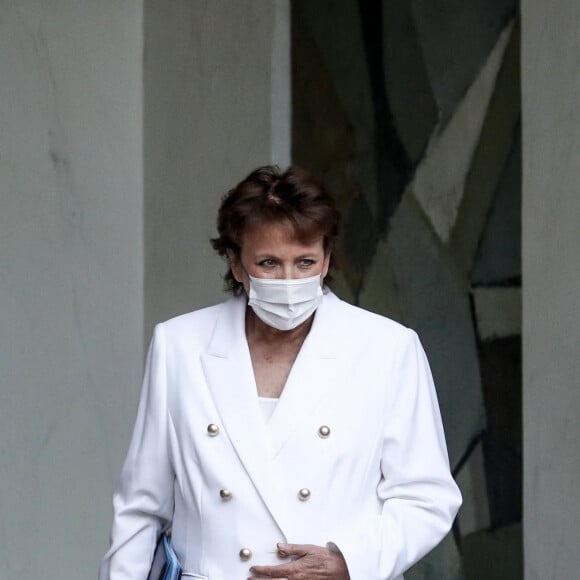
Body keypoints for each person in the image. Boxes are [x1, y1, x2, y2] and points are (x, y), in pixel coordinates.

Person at [100, 165, 462, 580]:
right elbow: (140, 508)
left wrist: (352, 561)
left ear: (326, 260)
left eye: (305, 261)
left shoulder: (387, 349)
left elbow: (426, 497)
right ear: (237, 264)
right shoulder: (180, 345)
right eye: (269, 263)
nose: (289, 280)